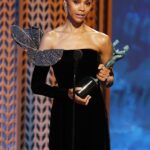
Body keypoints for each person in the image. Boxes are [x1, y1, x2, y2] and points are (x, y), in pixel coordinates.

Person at [31, 0, 114, 150]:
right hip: (64, 112)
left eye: (87, 3)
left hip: (93, 113)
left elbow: (109, 79)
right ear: (65, 3)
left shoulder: (101, 39)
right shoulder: (51, 39)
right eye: (76, 2)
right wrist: (66, 93)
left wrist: (106, 78)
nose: (82, 8)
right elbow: (37, 85)